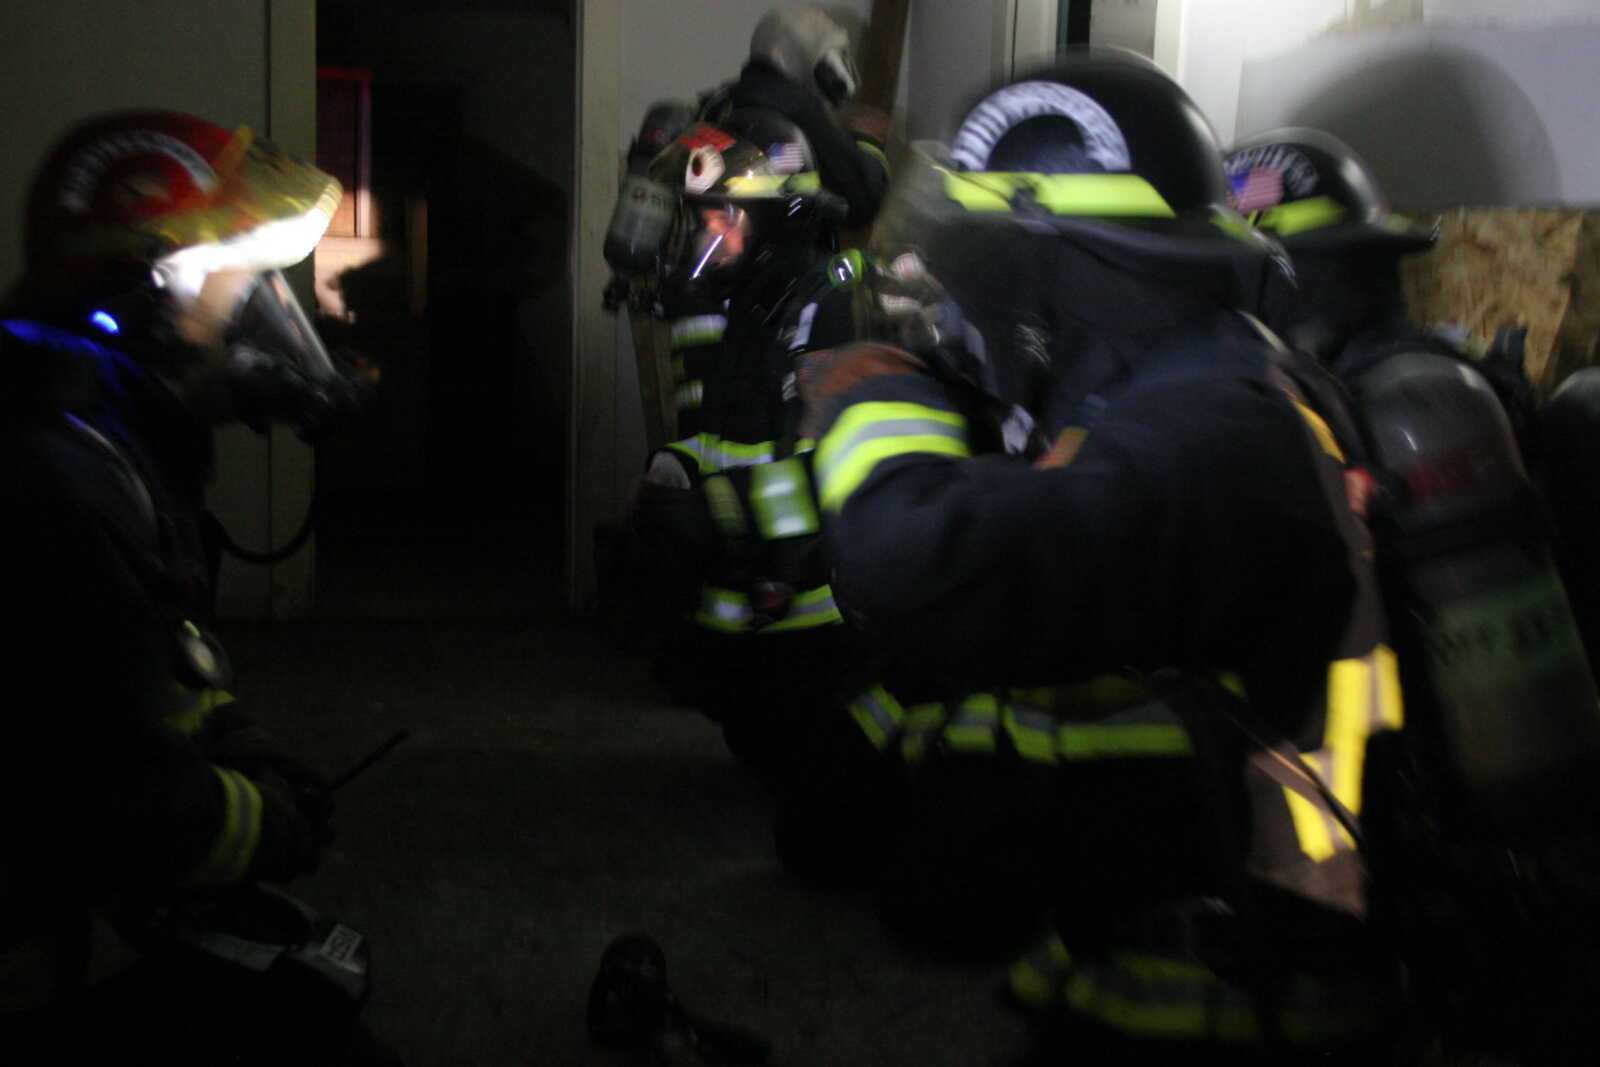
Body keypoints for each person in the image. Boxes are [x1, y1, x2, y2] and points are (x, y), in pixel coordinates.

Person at [799, 52, 1407, 1057]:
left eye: (962, 256)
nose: (937, 291)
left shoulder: (1212, 434)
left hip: (1235, 1012)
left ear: (1050, 265)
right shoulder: (1188, 387)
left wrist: (878, 396)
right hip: (1159, 949)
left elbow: (912, 562)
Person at [0, 110, 388, 1063]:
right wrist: (269, 822)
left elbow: (154, 674)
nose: (263, 321)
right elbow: (116, 802)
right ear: (142, 298)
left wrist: (235, 741)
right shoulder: (61, 487)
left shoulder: (107, 438)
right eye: (242, 286)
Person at [1227, 127, 1600, 1062]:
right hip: (1513, 827)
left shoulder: (1386, 413)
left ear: (1277, 277)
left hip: (1428, 827)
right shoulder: (1447, 380)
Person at [623, 108, 879, 779]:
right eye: (701, 217)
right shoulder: (749, 305)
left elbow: (836, 474)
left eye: (722, 216)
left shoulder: (829, 304)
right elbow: (729, 435)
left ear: (776, 218)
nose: (707, 234)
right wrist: (676, 468)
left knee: (813, 777)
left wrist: (714, 510)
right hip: (750, 593)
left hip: (811, 608)